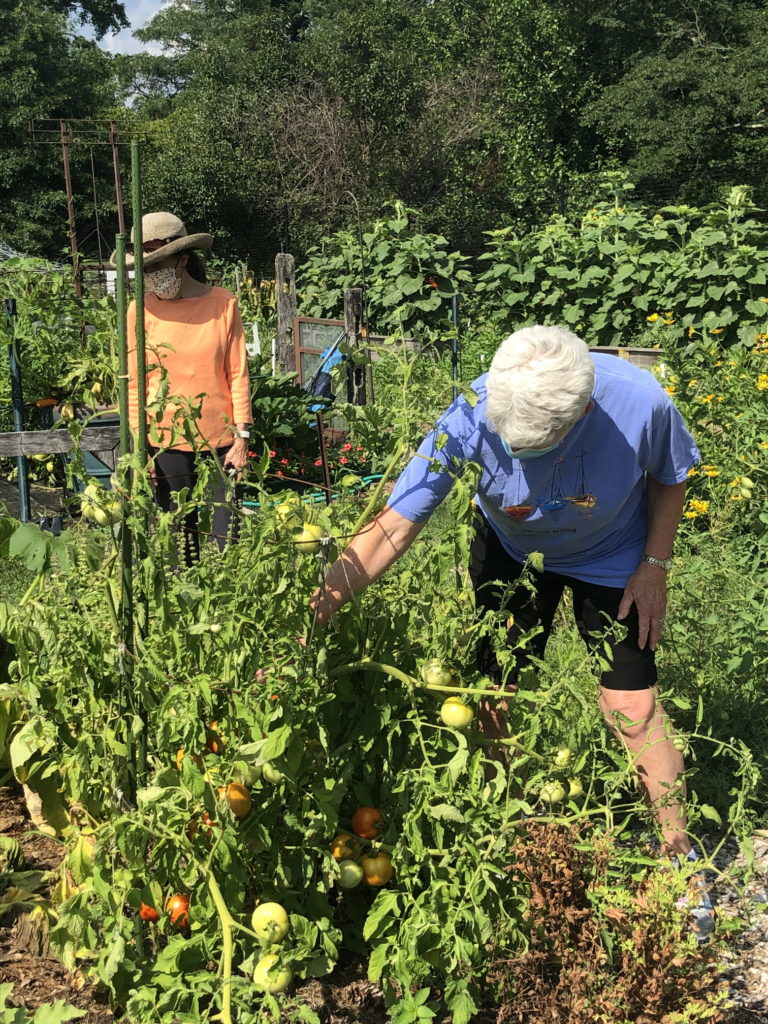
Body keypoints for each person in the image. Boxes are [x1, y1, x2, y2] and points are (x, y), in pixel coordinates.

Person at [311, 326, 709, 886]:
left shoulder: (639, 401)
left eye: (533, 444)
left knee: (633, 706)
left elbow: (672, 477)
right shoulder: (470, 414)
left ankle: (680, 861)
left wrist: (655, 566)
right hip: (512, 552)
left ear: (581, 411)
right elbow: (392, 528)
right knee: (495, 693)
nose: (516, 452)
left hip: (614, 555)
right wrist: (313, 616)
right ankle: (518, 836)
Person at [115, 212, 253, 563]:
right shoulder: (139, 311)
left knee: (225, 539)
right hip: (165, 442)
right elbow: (135, 384)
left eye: (157, 264)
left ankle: (227, 610)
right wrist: (138, 445)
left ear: (183, 259)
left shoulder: (223, 304)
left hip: (220, 442)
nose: (150, 275)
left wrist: (242, 439)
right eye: (144, 268)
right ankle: (183, 610)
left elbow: (237, 373)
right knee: (180, 538)